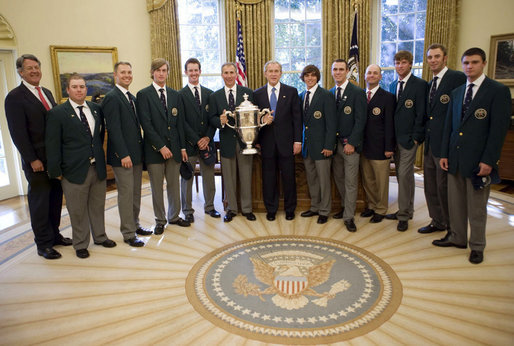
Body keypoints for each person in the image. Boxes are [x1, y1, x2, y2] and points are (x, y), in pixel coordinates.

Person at [437, 47, 511, 264]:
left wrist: (489, 160)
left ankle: (477, 245)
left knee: (477, 207)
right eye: (466, 63)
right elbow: (450, 127)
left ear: (483, 64)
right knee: (456, 203)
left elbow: (498, 131)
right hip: (455, 158)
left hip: (479, 161)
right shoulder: (457, 92)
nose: (470, 66)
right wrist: (444, 153)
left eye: (474, 62)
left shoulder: (497, 91)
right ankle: (458, 237)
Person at [4, 54, 71, 260]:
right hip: (37, 162)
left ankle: (55, 235)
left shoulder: (47, 92)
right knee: (40, 202)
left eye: (36, 67)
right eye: (29, 68)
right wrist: (32, 159)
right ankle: (43, 244)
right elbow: (18, 133)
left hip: (54, 160)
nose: (34, 71)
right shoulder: (15, 97)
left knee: (54, 199)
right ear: (20, 72)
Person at [45, 74, 116, 259]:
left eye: (82, 87)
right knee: (77, 211)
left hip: (96, 168)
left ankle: (100, 237)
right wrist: (56, 172)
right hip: (73, 171)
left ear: (87, 89)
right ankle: (81, 244)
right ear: (67, 90)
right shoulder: (57, 113)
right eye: (75, 87)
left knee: (97, 206)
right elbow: (52, 145)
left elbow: (98, 138)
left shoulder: (95, 109)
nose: (79, 90)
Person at [138, 58, 190, 234]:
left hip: (174, 149)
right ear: (152, 72)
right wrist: (160, 146)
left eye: (164, 70)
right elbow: (146, 124)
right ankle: (160, 220)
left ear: (168, 72)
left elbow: (180, 124)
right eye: (158, 70)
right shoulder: (144, 95)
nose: (161, 73)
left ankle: (174, 217)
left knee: (174, 185)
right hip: (155, 151)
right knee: (157, 187)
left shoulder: (176, 95)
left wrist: (182, 148)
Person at [102, 61, 152, 248]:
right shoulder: (112, 98)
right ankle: (128, 233)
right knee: (126, 194)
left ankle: (135, 224)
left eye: (129, 72)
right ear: (115, 75)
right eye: (123, 72)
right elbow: (113, 129)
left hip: (136, 155)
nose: (127, 75)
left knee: (136, 193)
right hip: (123, 158)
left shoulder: (131, 97)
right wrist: (123, 154)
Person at [420, 44, 466, 236]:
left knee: (445, 187)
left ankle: (451, 226)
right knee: (430, 186)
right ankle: (437, 220)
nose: (433, 60)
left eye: (436, 57)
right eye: (430, 57)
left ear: (445, 58)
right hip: (430, 144)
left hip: (446, 145)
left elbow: (461, 113)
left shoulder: (457, 78)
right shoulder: (430, 84)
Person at [208, 62, 257, 222]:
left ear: (237, 74)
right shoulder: (215, 96)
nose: (228, 75)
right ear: (222, 75)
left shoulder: (247, 93)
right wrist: (220, 121)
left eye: (231, 72)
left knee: (246, 175)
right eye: (225, 73)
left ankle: (247, 209)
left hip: (245, 142)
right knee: (228, 177)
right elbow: (212, 118)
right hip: (227, 141)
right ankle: (232, 209)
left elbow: (254, 117)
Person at [254, 61, 302, 221]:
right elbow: (255, 120)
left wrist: (297, 141)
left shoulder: (291, 91)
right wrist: (257, 137)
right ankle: (271, 209)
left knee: (288, 178)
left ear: (281, 73)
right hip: (266, 143)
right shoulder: (257, 94)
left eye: (276, 71)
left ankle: (290, 209)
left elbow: (297, 119)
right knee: (268, 178)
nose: (273, 74)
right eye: (270, 71)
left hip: (287, 143)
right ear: (265, 73)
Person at [386, 50, 428, 231]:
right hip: (395, 138)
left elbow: (422, 114)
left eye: (403, 62)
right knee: (406, 177)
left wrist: (417, 138)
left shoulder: (420, 85)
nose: (400, 66)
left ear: (410, 64)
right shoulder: (393, 84)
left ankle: (403, 215)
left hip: (410, 139)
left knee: (403, 175)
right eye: (397, 63)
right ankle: (407, 209)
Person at [179, 58, 220, 222]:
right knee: (187, 178)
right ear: (186, 72)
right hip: (190, 145)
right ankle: (187, 210)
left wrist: (208, 137)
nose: (194, 73)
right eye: (190, 70)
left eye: (196, 70)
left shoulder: (210, 93)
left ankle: (210, 207)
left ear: (200, 71)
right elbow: (182, 122)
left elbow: (213, 119)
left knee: (209, 177)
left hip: (207, 144)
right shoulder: (180, 95)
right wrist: (197, 140)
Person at [329, 59, 367, 232]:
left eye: (341, 69)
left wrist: (352, 142)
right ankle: (345, 207)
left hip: (350, 144)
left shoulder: (357, 92)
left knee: (351, 182)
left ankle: (349, 217)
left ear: (347, 72)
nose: (338, 72)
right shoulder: (330, 93)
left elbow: (360, 121)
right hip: (334, 144)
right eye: (335, 69)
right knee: (339, 178)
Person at [299, 65, 337, 224]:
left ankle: (324, 210)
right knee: (312, 179)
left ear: (317, 77)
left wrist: (329, 145)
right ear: (303, 78)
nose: (310, 78)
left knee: (323, 180)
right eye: (307, 76)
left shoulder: (326, 95)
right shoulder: (301, 96)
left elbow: (332, 123)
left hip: (322, 146)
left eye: (313, 76)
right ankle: (315, 206)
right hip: (307, 146)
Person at [360, 64, 396, 224]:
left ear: (380, 77)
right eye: (369, 73)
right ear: (365, 76)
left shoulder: (387, 97)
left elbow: (390, 124)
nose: (372, 75)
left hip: (381, 147)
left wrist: (390, 147)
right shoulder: (360, 95)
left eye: (375, 73)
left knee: (381, 181)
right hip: (363, 146)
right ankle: (372, 205)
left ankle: (381, 209)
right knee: (368, 180)